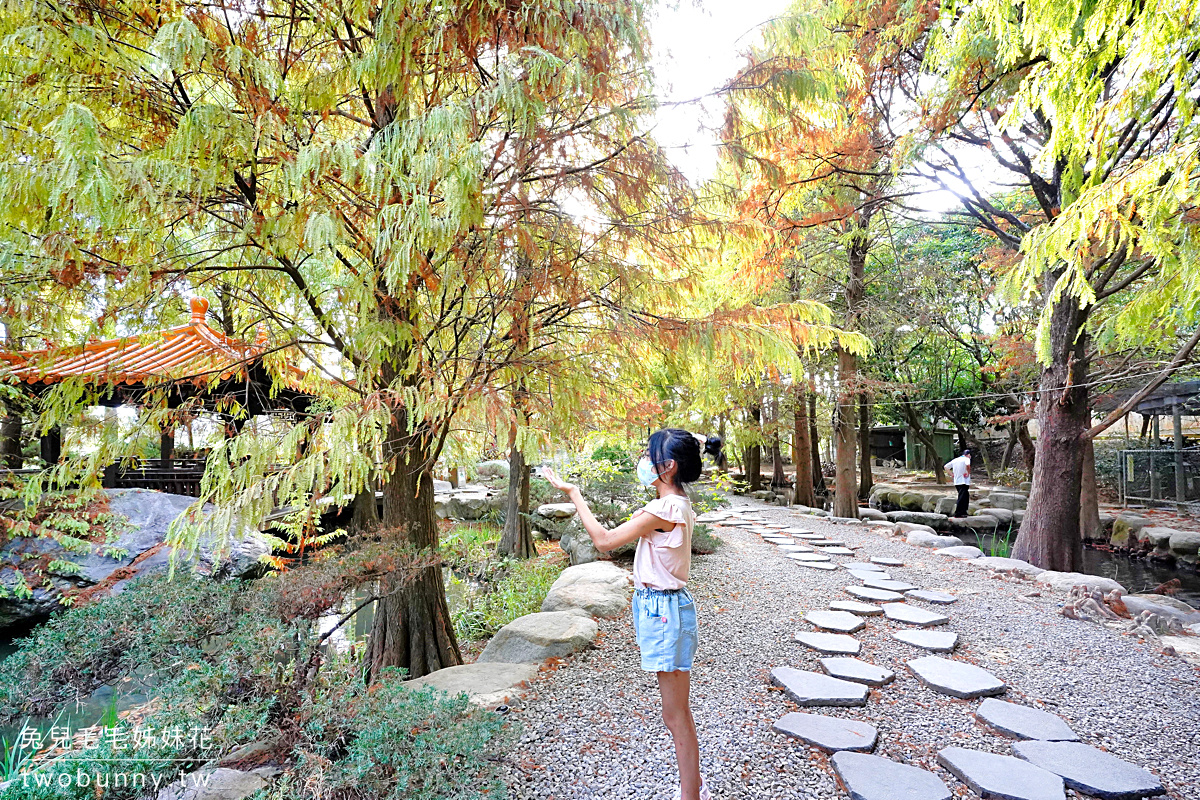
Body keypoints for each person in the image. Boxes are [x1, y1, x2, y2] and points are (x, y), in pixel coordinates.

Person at [543, 428, 715, 800]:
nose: (643, 461)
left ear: (667, 466)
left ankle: (691, 794)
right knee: (678, 713)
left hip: (664, 611)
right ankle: (693, 787)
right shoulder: (677, 503)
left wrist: (575, 495)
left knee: (674, 715)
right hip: (666, 608)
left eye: (648, 455)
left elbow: (604, 542)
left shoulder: (664, 508)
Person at [945, 448, 972, 517]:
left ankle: (964, 511)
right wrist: (968, 472)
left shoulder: (955, 460)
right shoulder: (966, 459)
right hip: (964, 481)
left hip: (957, 481)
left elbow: (946, 467)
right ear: (968, 455)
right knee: (962, 497)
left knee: (965, 496)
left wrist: (951, 474)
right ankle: (958, 513)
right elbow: (968, 465)